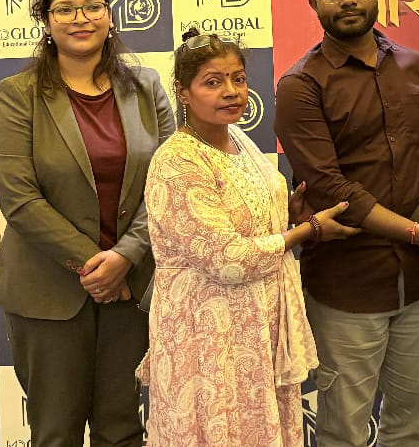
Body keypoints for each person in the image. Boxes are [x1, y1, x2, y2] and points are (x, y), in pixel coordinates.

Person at [274, 0, 419, 447]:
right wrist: (418, 232)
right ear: (314, 4)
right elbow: (331, 187)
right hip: (348, 285)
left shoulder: (410, 64)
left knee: (411, 423)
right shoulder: (300, 85)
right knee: (343, 430)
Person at [138, 28, 358, 445]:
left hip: (257, 326)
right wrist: (306, 230)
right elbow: (226, 258)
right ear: (183, 93)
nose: (231, 92)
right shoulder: (178, 160)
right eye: (212, 82)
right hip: (208, 333)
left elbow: (244, 219)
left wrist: (285, 213)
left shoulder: (238, 140)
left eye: (238, 79)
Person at [0, 0, 174, 447]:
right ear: (46, 22)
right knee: (56, 432)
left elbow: (172, 184)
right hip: (47, 291)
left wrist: (125, 256)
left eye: (92, 7)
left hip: (130, 289)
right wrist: (95, 264)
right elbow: (19, 198)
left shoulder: (146, 86)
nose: (80, 18)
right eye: (64, 9)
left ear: (109, 15)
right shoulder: (19, 94)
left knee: (122, 429)